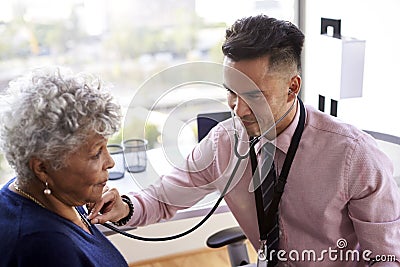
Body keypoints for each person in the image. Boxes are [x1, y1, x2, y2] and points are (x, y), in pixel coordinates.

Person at [88, 15, 400, 266]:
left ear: (293, 88)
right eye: (230, 91)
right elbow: (163, 198)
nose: (238, 109)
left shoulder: (354, 157)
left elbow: (386, 258)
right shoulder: (224, 142)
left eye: (252, 95)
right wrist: (124, 207)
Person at [0, 67, 130, 267]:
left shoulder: (40, 192)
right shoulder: (44, 247)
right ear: (43, 168)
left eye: (106, 147)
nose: (110, 162)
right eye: (96, 153)